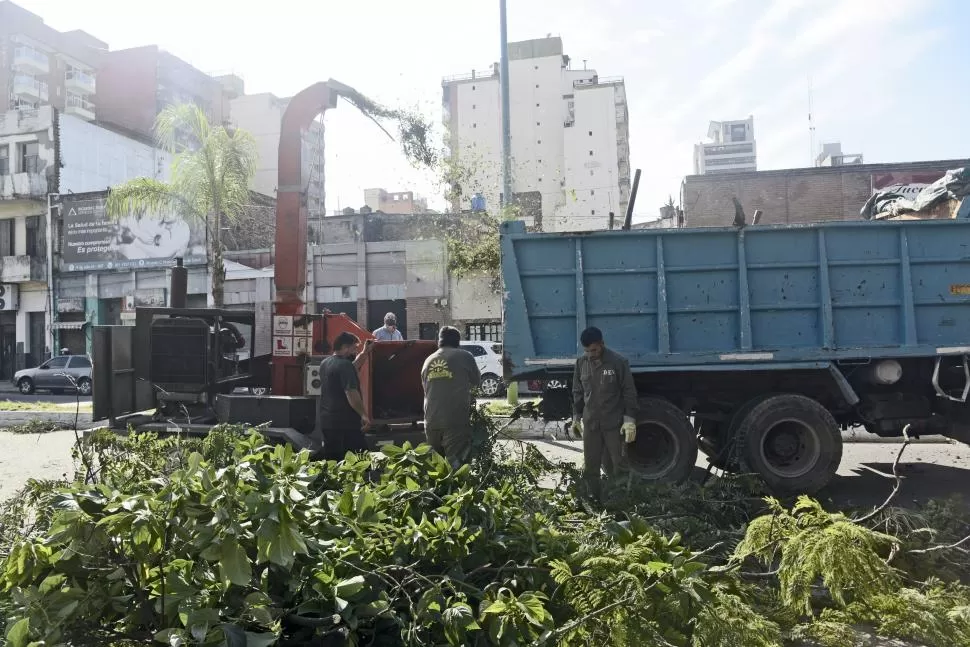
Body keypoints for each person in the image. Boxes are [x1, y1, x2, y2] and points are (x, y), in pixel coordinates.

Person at [571, 326, 638, 502]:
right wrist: (576, 417)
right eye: (586, 351)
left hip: (613, 425)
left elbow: (629, 392)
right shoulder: (581, 363)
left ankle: (620, 502)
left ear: (602, 344)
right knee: (591, 466)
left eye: (594, 350)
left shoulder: (618, 362)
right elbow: (578, 392)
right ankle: (594, 502)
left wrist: (629, 419)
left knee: (618, 465)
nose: (590, 354)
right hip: (591, 424)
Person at [421, 326, 481, 468]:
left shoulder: (428, 360)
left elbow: (426, 389)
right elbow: (476, 382)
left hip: (431, 421)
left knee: (437, 468)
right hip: (454, 421)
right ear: (457, 341)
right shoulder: (465, 356)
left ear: (439, 341)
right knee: (456, 468)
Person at [313, 332, 370, 460]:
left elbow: (352, 368)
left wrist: (365, 352)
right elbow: (351, 394)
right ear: (345, 347)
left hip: (328, 421)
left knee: (333, 462)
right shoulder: (345, 365)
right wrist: (364, 415)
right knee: (361, 460)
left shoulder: (326, 363)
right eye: (354, 348)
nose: (355, 351)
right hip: (346, 423)